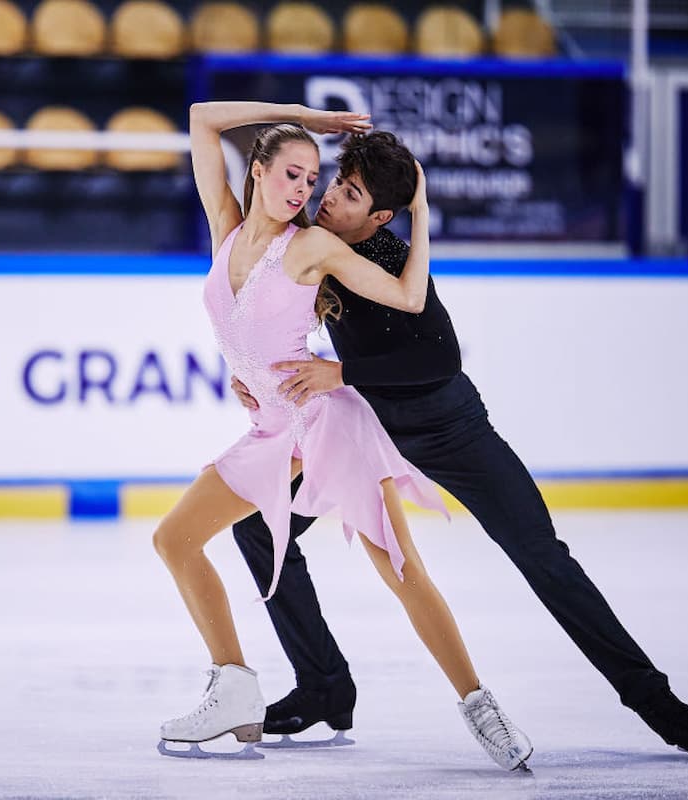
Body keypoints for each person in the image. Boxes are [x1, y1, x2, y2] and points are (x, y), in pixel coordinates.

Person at [230, 130, 688, 757]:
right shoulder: (305, 241)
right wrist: (248, 373)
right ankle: (324, 685)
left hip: (450, 426)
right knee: (256, 527)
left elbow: (439, 355)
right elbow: (261, 308)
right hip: (368, 429)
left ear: (381, 216)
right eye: (335, 183)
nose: (328, 198)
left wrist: (342, 370)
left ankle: (648, 694)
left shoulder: (386, 255)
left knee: (543, 554)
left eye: (350, 194)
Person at [152, 100, 532, 771]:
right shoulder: (227, 228)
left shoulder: (311, 248)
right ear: (258, 170)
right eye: (293, 174)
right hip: (273, 429)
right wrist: (306, 117)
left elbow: (410, 298)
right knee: (175, 540)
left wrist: (419, 211)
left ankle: (480, 704)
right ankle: (235, 685)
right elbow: (203, 117)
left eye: (312, 178)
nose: (304, 189)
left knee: (401, 568)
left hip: (329, 425)